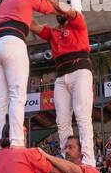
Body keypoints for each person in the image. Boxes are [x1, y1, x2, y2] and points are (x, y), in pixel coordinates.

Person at [0, 0, 72, 149]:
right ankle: (17, 142)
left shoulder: (3, 5)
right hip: (13, 42)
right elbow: (53, 9)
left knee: (0, 100)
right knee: (17, 95)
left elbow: (32, 24)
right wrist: (66, 10)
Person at [36, 9, 93, 162]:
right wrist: (23, 4)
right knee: (62, 121)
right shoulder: (53, 32)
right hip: (61, 77)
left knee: (82, 117)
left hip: (80, 71)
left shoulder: (78, 23)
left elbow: (68, 11)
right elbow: (33, 25)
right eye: (56, 12)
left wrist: (52, 3)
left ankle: (88, 159)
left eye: (60, 10)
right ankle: (66, 156)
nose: (58, 13)